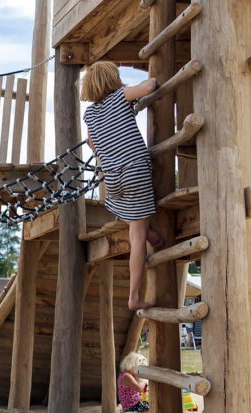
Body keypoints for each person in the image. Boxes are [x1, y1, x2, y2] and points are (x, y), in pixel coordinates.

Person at [81, 61, 165, 311]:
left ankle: (148, 231)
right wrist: (131, 91)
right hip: (135, 171)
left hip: (113, 177)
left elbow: (91, 142)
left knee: (132, 218)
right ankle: (134, 296)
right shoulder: (120, 96)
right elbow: (149, 85)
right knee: (137, 238)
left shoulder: (90, 114)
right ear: (112, 80)